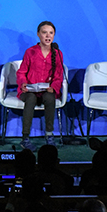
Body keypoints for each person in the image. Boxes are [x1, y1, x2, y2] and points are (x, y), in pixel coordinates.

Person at [16, 20, 64, 150]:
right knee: (31, 99)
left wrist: (53, 87)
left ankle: (49, 134)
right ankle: (25, 138)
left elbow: (59, 76)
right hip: (30, 90)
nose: (48, 36)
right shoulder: (30, 52)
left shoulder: (58, 54)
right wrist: (23, 84)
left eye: (51, 33)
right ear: (38, 34)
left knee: (50, 98)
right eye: (44, 33)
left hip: (45, 90)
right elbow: (21, 72)